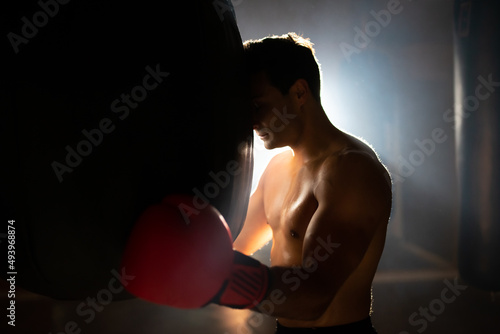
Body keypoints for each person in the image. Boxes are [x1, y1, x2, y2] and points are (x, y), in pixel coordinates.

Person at [232, 32, 393, 333]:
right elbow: (233, 243)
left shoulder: (352, 170)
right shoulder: (277, 168)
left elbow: (313, 296)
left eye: (257, 105)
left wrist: (219, 283)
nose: (251, 122)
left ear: (299, 92)